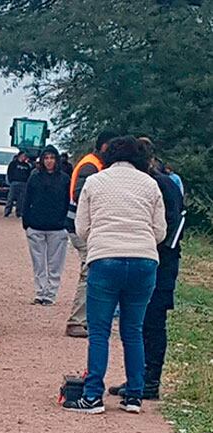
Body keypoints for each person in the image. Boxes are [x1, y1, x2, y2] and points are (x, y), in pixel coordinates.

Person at [63, 136, 166, 415]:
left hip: (105, 258)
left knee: (99, 332)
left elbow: (82, 227)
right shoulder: (150, 184)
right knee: (133, 331)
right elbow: (160, 231)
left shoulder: (96, 182)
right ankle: (134, 396)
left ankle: (93, 396)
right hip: (144, 260)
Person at [108, 144, 185, 401]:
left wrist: (154, 250)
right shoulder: (142, 184)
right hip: (143, 259)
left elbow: (175, 227)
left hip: (161, 263)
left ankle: (150, 380)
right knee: (136, 324)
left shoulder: (163, 185)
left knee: (152, 321)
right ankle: (137, 379)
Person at [64, 130, 117, 338]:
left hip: (83, 224)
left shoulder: (94, 164)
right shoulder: (91, 166)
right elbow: (80, 195)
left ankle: (87, 319)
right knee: (90, 270)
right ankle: (77, 321)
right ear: (104, 146)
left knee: (93, 270)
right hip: (82, 226)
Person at [21, 146, 70, 306]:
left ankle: (51, 293)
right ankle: (40, 291)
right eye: (46, 158)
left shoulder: (64, 179)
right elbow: (27, 200)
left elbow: (67, 202)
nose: (49, 161)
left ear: (56, 160)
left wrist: (66, 223)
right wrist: (26, 222)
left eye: (52, 158)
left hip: (57, 227)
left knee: (55, 263)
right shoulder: (34, 178)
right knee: (39, 262)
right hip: (36, 225)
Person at [4, 151, 32, 217]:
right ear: (19, 156)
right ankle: (7, 212)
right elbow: (9, 172)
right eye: (23, 156)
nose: (24, 158)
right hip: (14, 182)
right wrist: (11, 180)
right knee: (10, 198)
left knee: (21, 199)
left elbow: (28, 174)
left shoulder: (27, 166)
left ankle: (19, 213)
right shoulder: (13, 164)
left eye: (25, 156)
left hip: (23, 183)